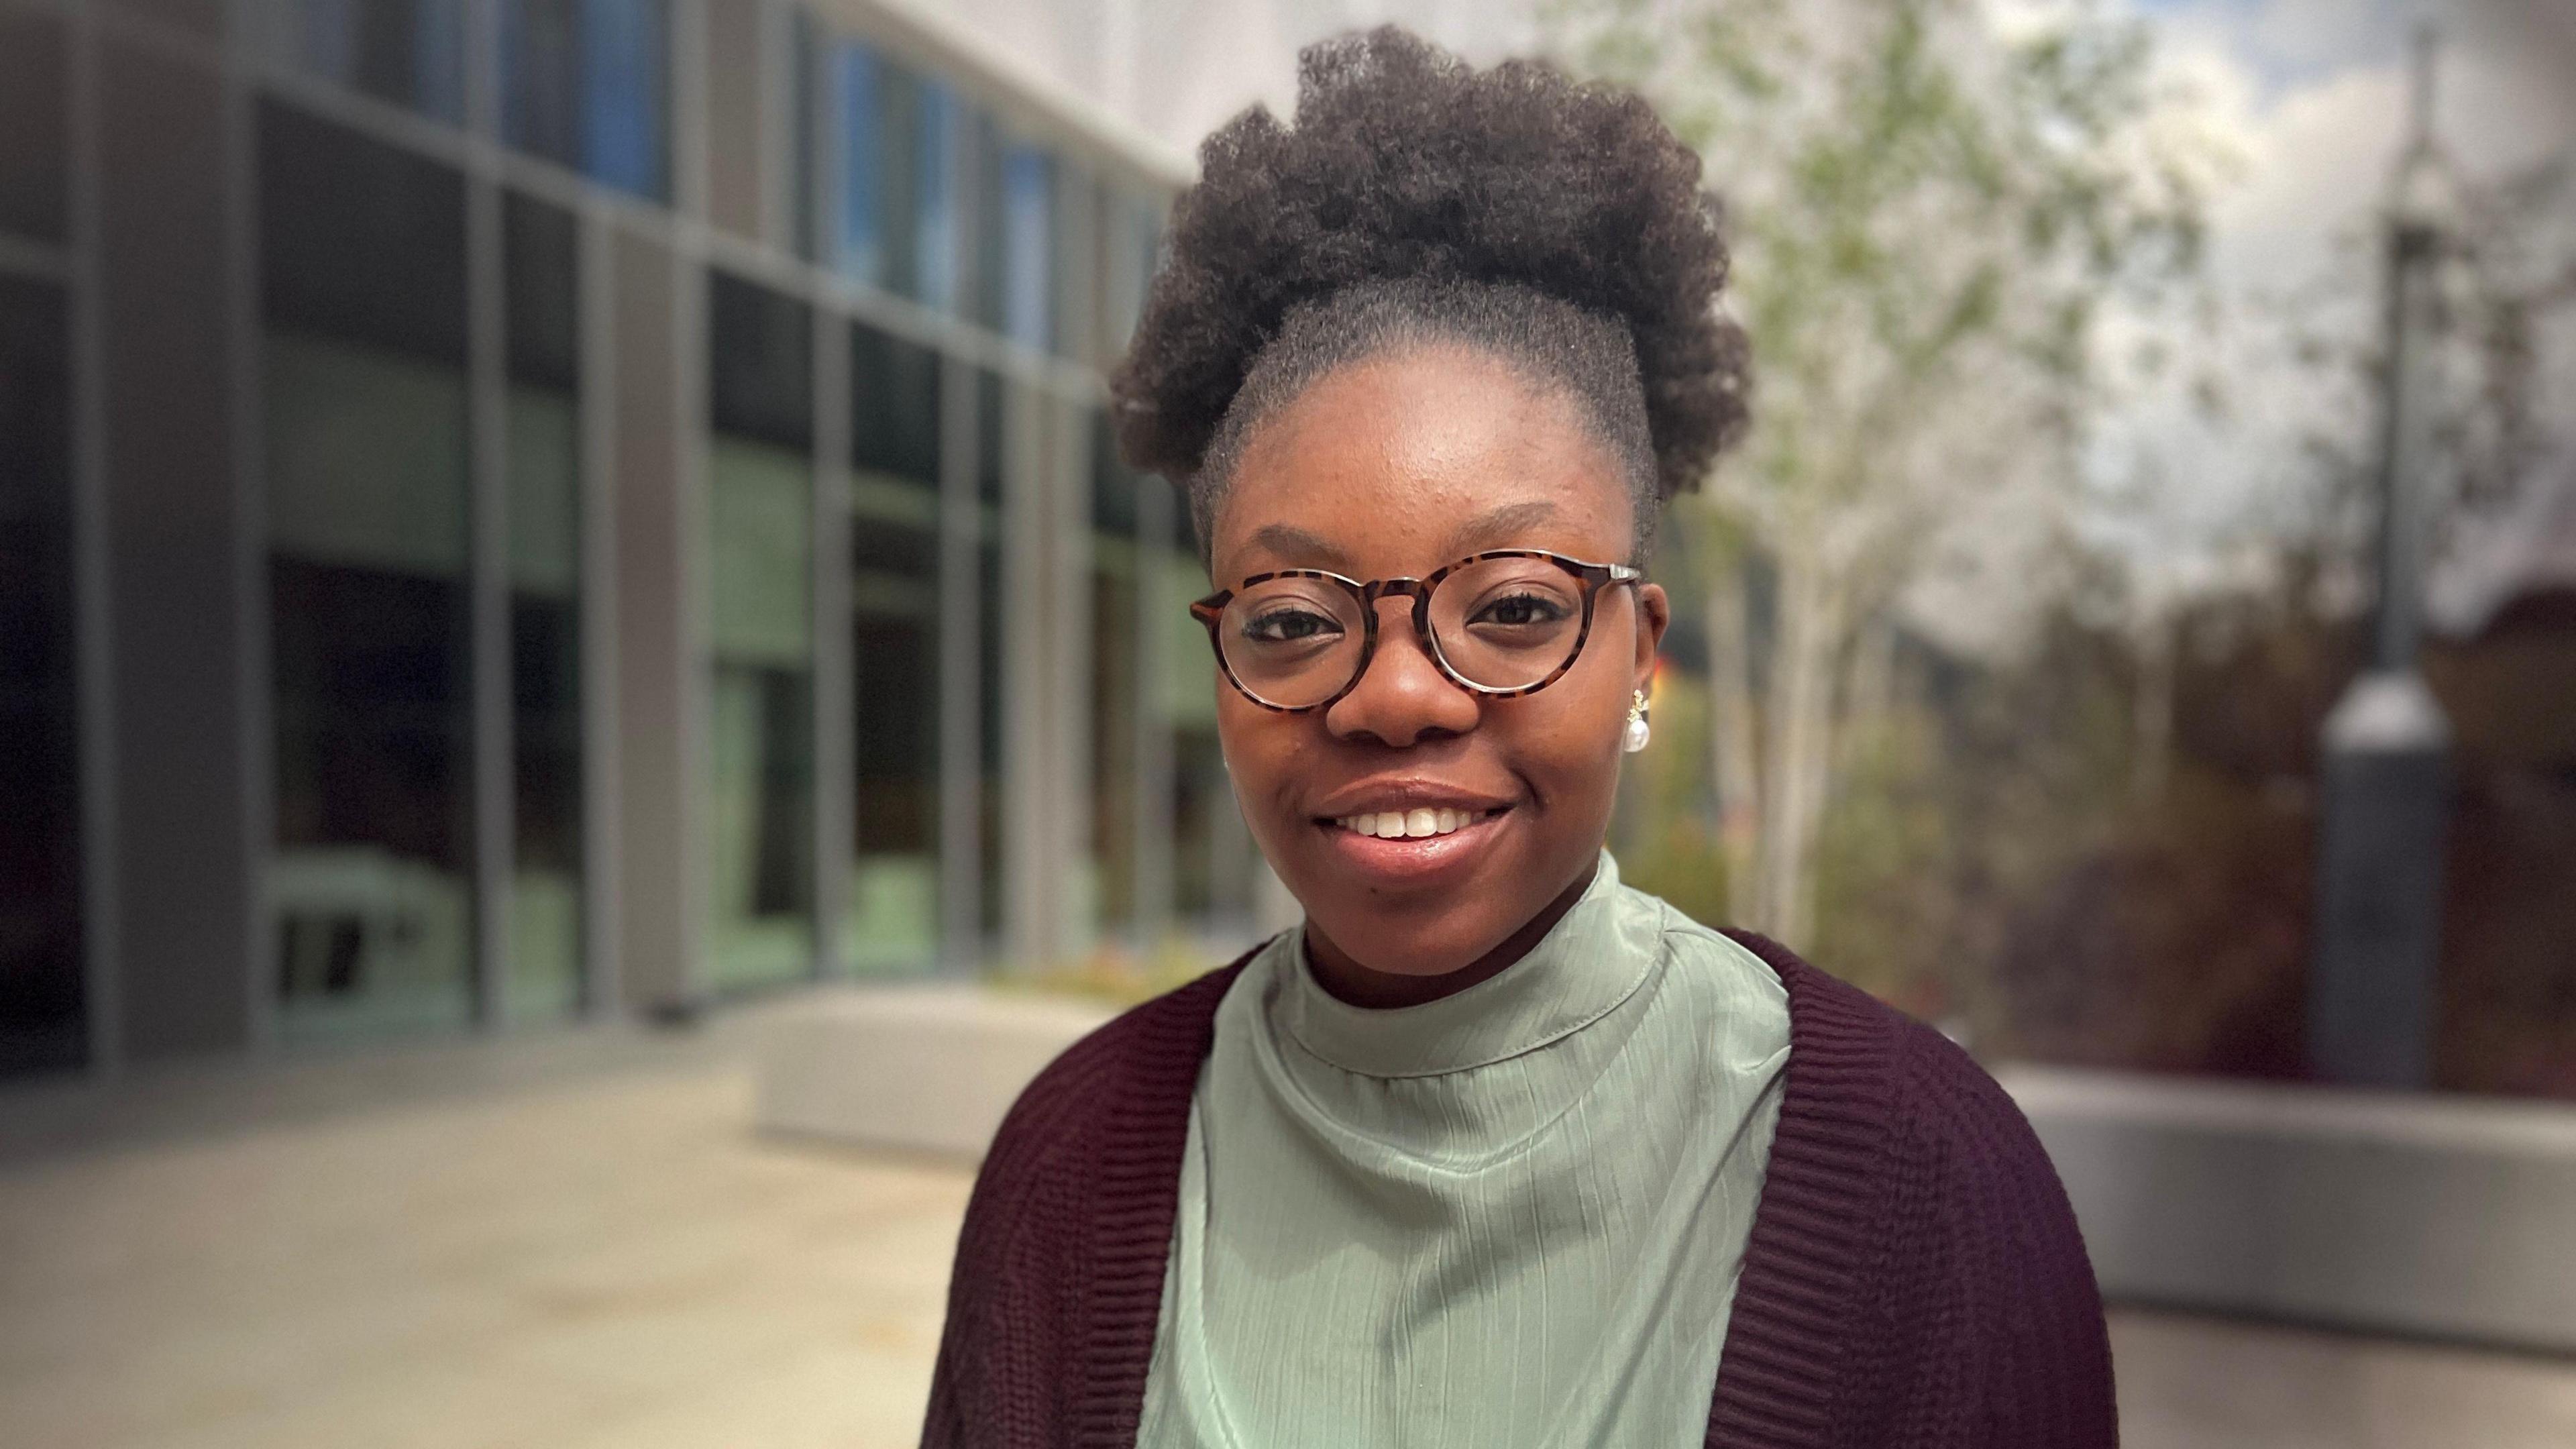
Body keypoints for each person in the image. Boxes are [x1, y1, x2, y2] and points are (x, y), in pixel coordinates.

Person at [924, 28, 2113, 1449]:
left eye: (1512, 605)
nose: (1399, 698)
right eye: (1298, 618)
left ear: (1641, 656)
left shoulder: (1927, 1189)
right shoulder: (1074, 1165)